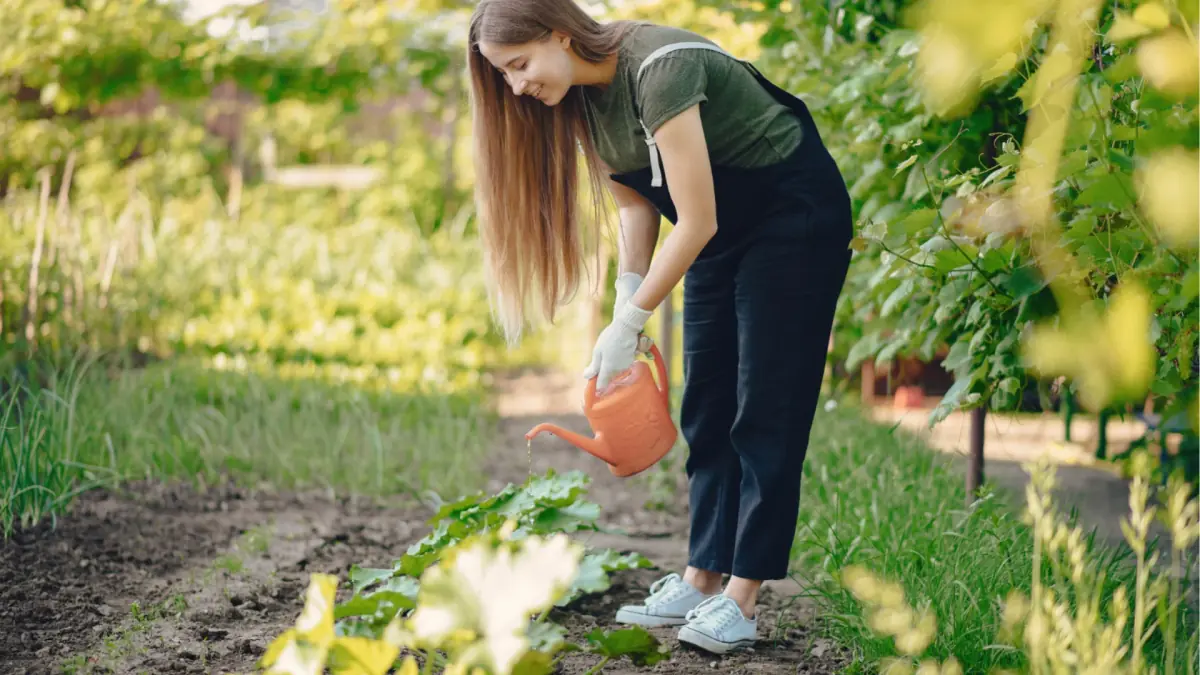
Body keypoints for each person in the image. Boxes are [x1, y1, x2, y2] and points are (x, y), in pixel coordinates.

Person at [467, 0, 853, 656]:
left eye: (520, 64)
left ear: (560, 32)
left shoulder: (659, 70)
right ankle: (703, 573)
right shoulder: (577, 102)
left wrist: (635, 315)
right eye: (503, 74)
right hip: (721, 229)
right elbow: (637, 204)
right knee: (706, 404)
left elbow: (695, 219)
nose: (516, 86)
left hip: (793, 214)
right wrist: (626, 303)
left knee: (765, 408)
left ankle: (744, 595)